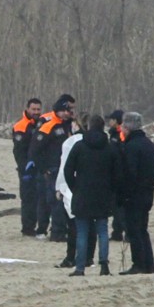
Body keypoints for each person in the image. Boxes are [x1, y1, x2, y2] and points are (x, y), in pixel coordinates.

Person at [64, 115, 120, 276]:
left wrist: (75, 187)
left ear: (88, 127)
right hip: (103, 194)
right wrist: (111, 191)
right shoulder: (110, 148)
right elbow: (117, 174)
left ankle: (80, 267)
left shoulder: (79, 146)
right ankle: (104, 265)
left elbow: (68, 170)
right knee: (102, 230)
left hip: (82, 193)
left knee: (82, 231)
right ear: (103, 128)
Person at [28, 99, 75, 241]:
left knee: (65, 200)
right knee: (54, 201)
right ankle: (56, 232)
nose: (69, 113)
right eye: (67, 110)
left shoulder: (68, 125)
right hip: (53, 169)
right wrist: (44, 169)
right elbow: (34, 150)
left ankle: (63, 229)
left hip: (66, 168)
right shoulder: (48, 126)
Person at [55, 113, 97, 269]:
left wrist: (59, 187)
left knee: (73, 225)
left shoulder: (70, 143)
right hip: (93, 187)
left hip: (72, 188)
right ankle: (89, 257)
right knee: (91, 224)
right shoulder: (98, 141)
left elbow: (64, 167)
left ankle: (71, 257)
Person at [118, 111, 154, 274]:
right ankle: (149, 265)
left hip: (134, 195)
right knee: (142, 229)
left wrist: (124, 194)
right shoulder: (149, 144)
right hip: (148, 193)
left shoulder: (131, 146)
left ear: (127, 127)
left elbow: (129, 174)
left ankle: (139, 264)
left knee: (134, 230)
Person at [12, 98, 43, 237]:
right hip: (26, 168)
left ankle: (37, 225)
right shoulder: (21, 126)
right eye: (34, 109)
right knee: (28, 198)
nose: (36, 112)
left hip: (39, 167)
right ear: (27, 109)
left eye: (38, 109)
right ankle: (27, 228)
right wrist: (24, 169)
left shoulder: (41, 124)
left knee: (39, 198)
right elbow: (18, 152)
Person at [106, 110, 126, 241]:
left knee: (118, 205)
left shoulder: (120, 135)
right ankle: (117, 230)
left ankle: (118, 230)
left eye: (111, 119)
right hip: (115, 173)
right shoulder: (114, 134)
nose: (109, 122)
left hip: (118, 174)